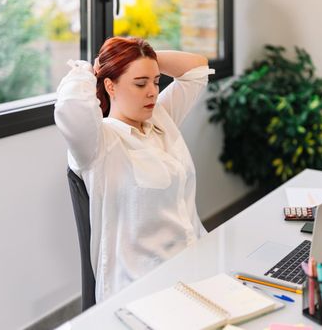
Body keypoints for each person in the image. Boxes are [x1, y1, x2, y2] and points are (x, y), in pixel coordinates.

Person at [54, 36, 214, 301]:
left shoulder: (160, 118)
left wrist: (143, 59)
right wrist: (93, 69)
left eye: (156, 81)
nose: (152, 91)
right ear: (110, 86)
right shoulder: (98, 144)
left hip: (194, 264)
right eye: (140, 84)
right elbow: (72, 105)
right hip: (143, 286)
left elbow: (196, 70)